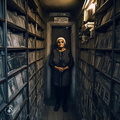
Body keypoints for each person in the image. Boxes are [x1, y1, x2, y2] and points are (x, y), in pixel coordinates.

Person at [49, 37, 74, 112]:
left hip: (65, 74)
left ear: (64, 43)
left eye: (62, 42)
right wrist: (57, 68)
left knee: (65, 90)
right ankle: (57, 104)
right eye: (59, 42)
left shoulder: (68, 52)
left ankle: (65, 104)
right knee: (57, 90)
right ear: (57, 43)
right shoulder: (53, 52)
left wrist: (65, 68)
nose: (60, 43)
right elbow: (50, 63)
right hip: (56, 74)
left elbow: (72, 63)